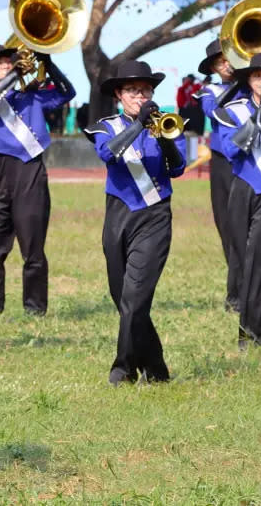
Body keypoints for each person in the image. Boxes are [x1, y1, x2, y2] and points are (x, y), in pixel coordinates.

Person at [83, 60, 186, 385]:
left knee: (136, 297)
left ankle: (122, 368)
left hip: (155, 216)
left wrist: (163, 136)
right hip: (117, 214)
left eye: (144, 90)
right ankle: (156, 369)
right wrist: (138, 125)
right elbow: (108, 154)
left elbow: (178, 167)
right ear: (119, 95)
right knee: (123, 297)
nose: (139, 96)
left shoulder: (167, 124)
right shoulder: (106, 126)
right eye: (132, 90)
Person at [0, 43, 76, 324]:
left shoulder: (31, 96)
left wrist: (49, 63)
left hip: (30, 174)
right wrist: (1, 85)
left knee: (32, 248)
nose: (7, 66)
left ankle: (35, 309)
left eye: (8, 62)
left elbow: (66, 93)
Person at [213, 53, 261, 349]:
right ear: (248, 79)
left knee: (259, 258)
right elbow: (232, 151)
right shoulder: (231, 111)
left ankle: (249, 333)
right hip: (241, 188)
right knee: (246, 261)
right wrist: (258, 116)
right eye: (257, 76)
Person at [194, 39, 244, 312]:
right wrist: (239, 82)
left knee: (247, 230)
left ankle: (241, 292)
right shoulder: (209, 90)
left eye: (231, 58)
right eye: (220, 61)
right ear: (213, 67)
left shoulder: (252, 86)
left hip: (249, 161)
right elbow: (213, 110)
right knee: (227, 228)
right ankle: (236, 291)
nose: (227, 64)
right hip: (223, 163)